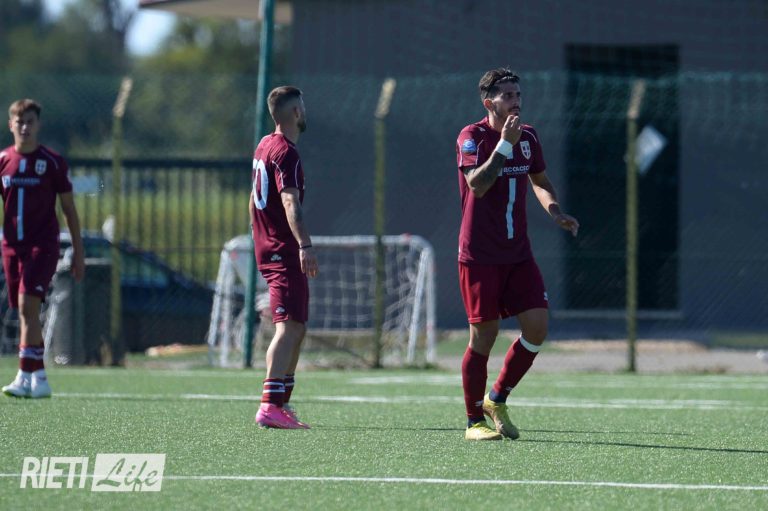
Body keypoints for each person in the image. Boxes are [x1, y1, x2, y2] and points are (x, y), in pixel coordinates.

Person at [455, 69, 580, 440]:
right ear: (488, 102)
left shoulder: (529, 136)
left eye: (518, 94)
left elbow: (539, 181)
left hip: (518, 253)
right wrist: (503, 146)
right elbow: (477, 185)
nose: (516, 101)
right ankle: (474, 422)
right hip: (479, 254)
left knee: (537, 328)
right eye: (507, 95)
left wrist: (555, 211)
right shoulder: (471, 136)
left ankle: (496, 398)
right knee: (484, 335)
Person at [1, 99, 85, 399]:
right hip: (12, 247)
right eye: (20, 122)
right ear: (11, 125)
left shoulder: (51, 162)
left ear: (38, 125)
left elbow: (69, 210)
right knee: (25, 311)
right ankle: (39, 377)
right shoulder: (3, 160)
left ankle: (24, 375)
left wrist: (78, 252)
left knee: (27, 306)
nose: (25, 127)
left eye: (30, 122)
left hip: (42, 245)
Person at [250, 86, 318, 429]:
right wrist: (305, 245)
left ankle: (282, 402)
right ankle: (269, 405)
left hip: (273, 245)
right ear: (295, 112)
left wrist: (257, 232)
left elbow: (253, 198)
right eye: (302, 106)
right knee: (288, 327)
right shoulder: (286, 153)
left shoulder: (265, 144)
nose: (305, 111)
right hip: (283, 248)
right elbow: (290, 202)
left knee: (298, 326)